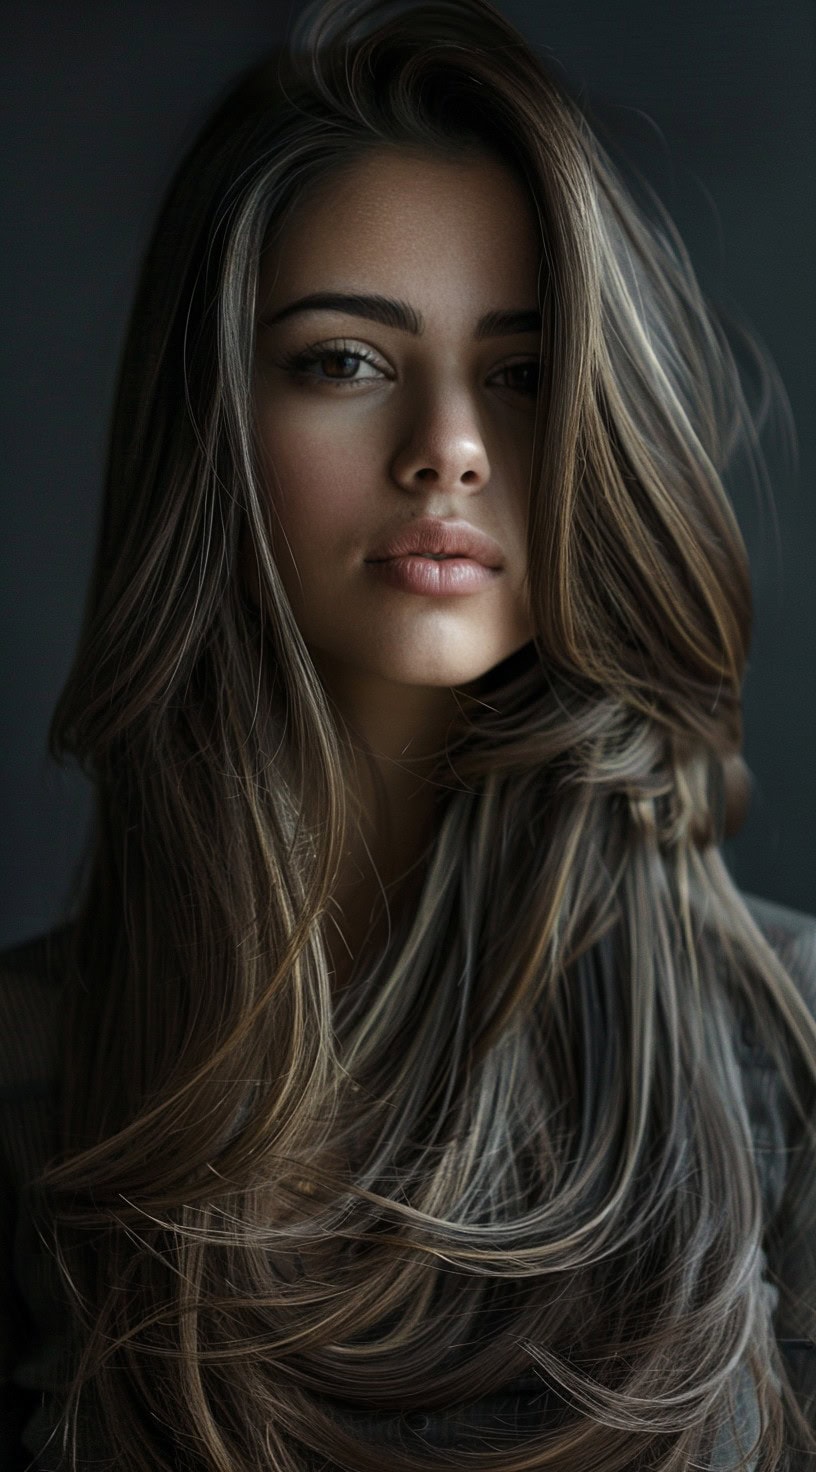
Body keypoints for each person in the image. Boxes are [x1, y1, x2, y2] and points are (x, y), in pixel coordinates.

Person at [1, 0, 815, 1466]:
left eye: (517, 371)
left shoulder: (793, 1047)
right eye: (344, 361)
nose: (449, 442)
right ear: (214, 425)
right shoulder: (32, 1078)